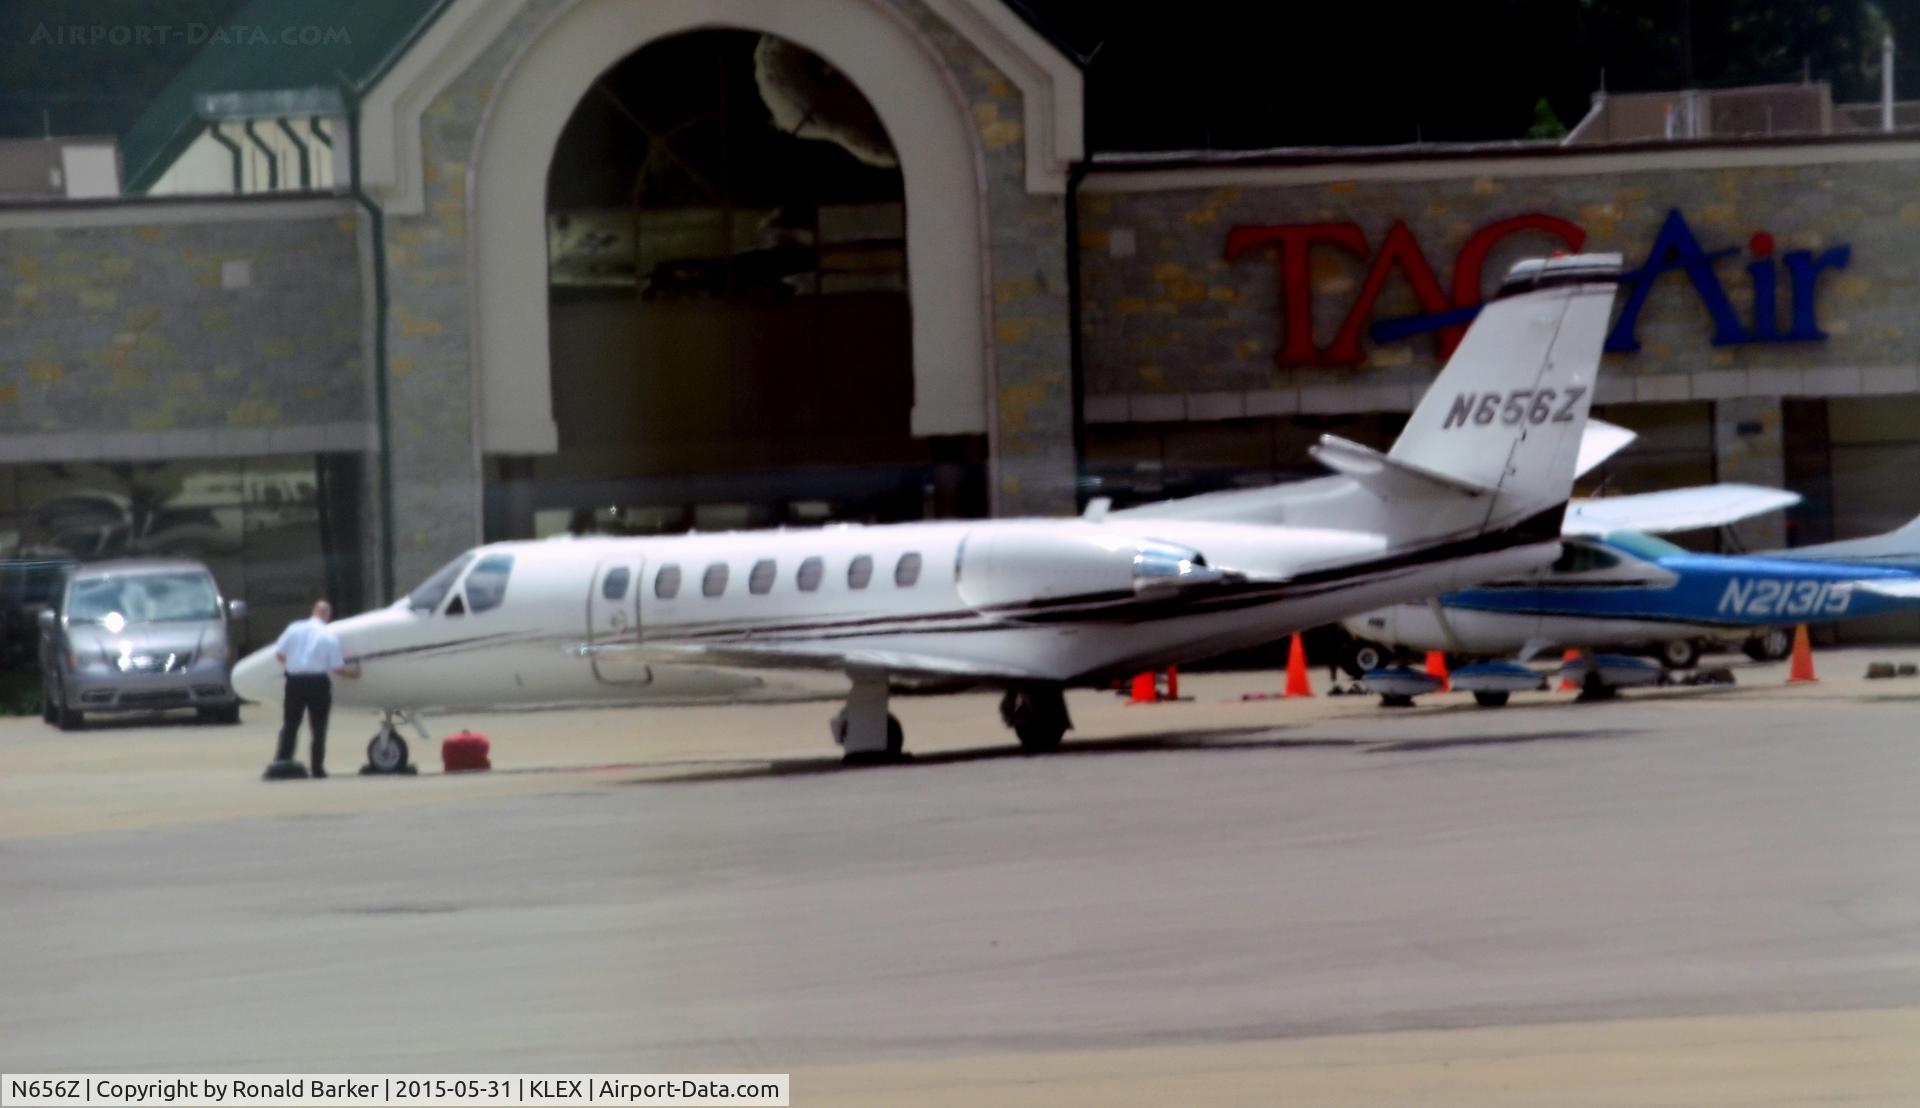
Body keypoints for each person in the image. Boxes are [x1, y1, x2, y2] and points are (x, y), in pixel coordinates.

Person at [269, 600, 360, 778]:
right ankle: (317, 768)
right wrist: (355, 675)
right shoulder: (329, 635)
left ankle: (282, 761)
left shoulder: (294, 628)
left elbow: (279, 654)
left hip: (294, 681)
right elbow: (337, 668)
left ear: (313, 612)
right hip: (318, 682)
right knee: (318, 727)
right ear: (327, 615)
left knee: (290, 723)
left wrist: (294, 665)